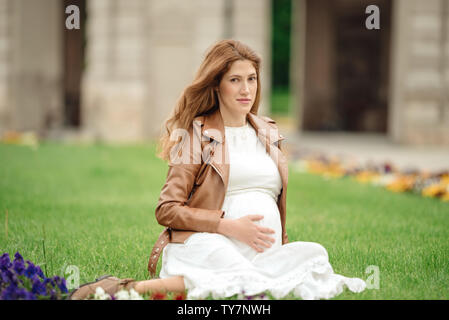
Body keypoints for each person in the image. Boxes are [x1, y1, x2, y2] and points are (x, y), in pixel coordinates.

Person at [69, 39, 366, 300]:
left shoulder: (269, 132)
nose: (246, 89)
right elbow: (167, 209)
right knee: (246, 283)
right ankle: (128, 288)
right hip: (208, 246)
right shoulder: (196, 134)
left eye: (252, 79)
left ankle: (252, 276)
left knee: (314, 255)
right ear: (216, 84)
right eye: (235, 80)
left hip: (263, 252)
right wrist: (229, 226)